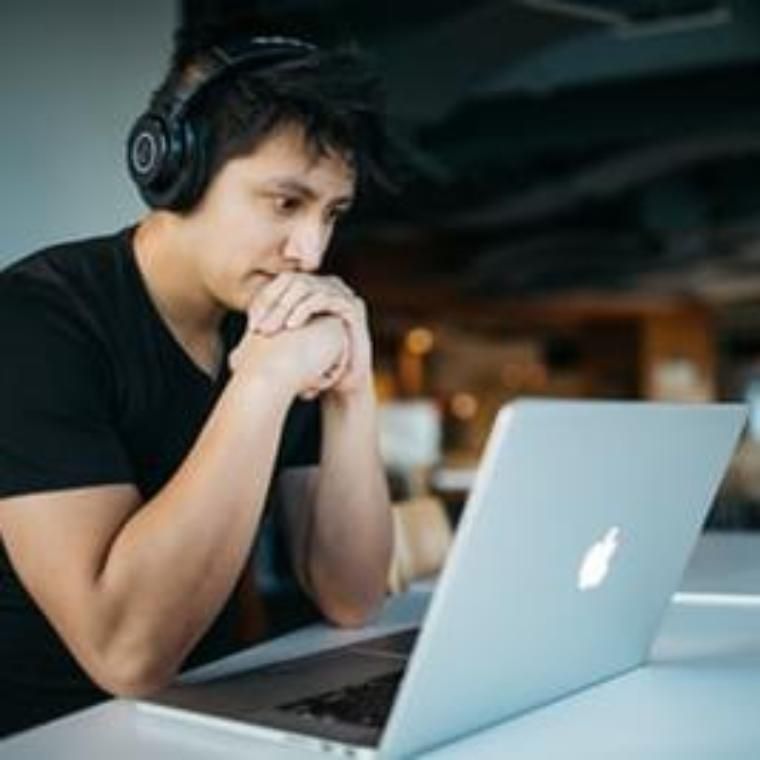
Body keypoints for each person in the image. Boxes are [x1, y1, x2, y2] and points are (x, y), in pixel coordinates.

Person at [0, 34, 395, 737]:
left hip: (197, 721)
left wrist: (352, 389)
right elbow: (125, 654)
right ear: (177, 171)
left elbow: (352, 595)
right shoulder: (35, 323)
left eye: (331, 214)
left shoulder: (265, 320)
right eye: (284, 203)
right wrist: (265, 382)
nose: (308, 251)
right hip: (46, 735)